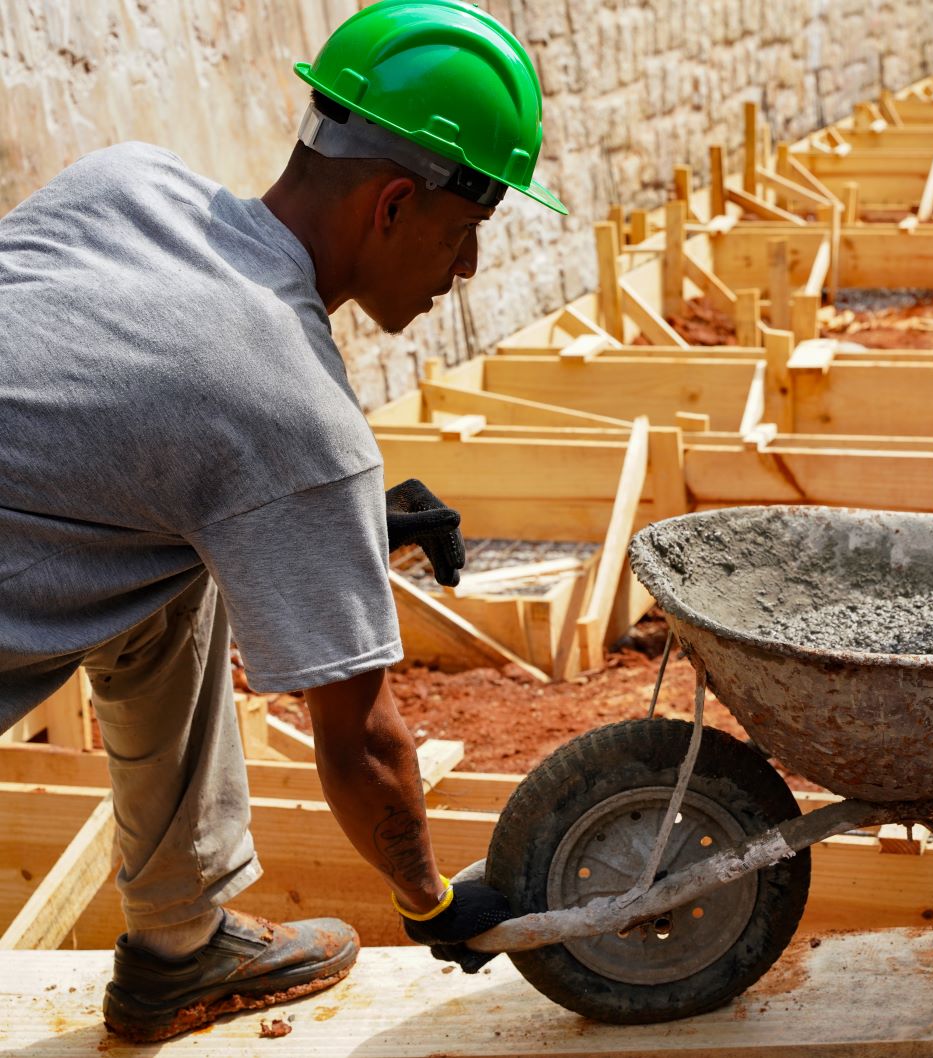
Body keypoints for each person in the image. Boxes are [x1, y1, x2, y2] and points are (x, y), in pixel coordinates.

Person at [0, 0, 566, 1041]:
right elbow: (360, 747)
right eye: (467, 233)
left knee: (178, 563)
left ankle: (180, 945)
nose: (467, 271)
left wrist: (339, 523)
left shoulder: (124, 181)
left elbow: (83, 421)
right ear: (394, 204)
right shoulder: (288, 411)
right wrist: (432, 901)